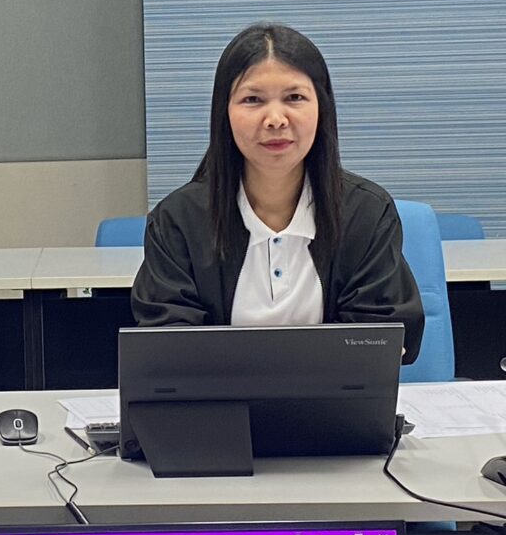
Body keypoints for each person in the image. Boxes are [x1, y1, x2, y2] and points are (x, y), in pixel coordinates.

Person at [131, 23, 424, 362]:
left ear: (322, 108)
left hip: (333, 397)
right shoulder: (178, 221)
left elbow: (381, 337)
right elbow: (168, 344)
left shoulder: (367, 214)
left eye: (294, 98)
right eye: (252, 99)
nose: (275, 119)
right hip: (217, 396)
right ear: (224, 112)